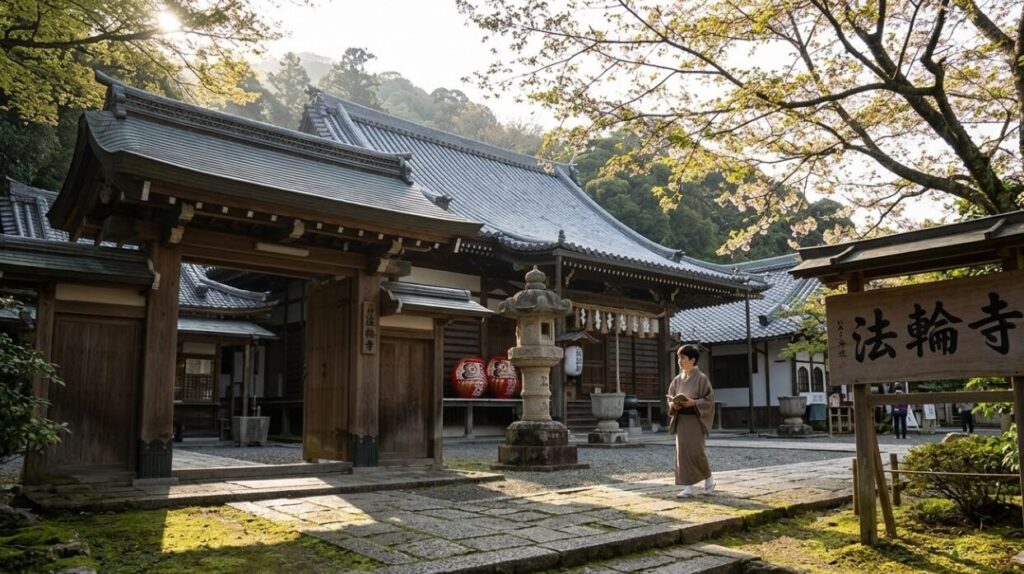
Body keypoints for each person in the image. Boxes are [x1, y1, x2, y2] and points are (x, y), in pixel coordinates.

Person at [667, 345, 716, 498]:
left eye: (682, 357)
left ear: (692, 360)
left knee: (696, 452)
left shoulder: (702, 378)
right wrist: (673, 405)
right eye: (678, 358)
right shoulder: (677, 380)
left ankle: (709, 478)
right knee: (682, 453)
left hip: (695, 419)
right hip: (681, 419)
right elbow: (670, 398)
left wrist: (693, 402)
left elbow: (709, 400)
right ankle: (688, 487)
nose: (679, 361)